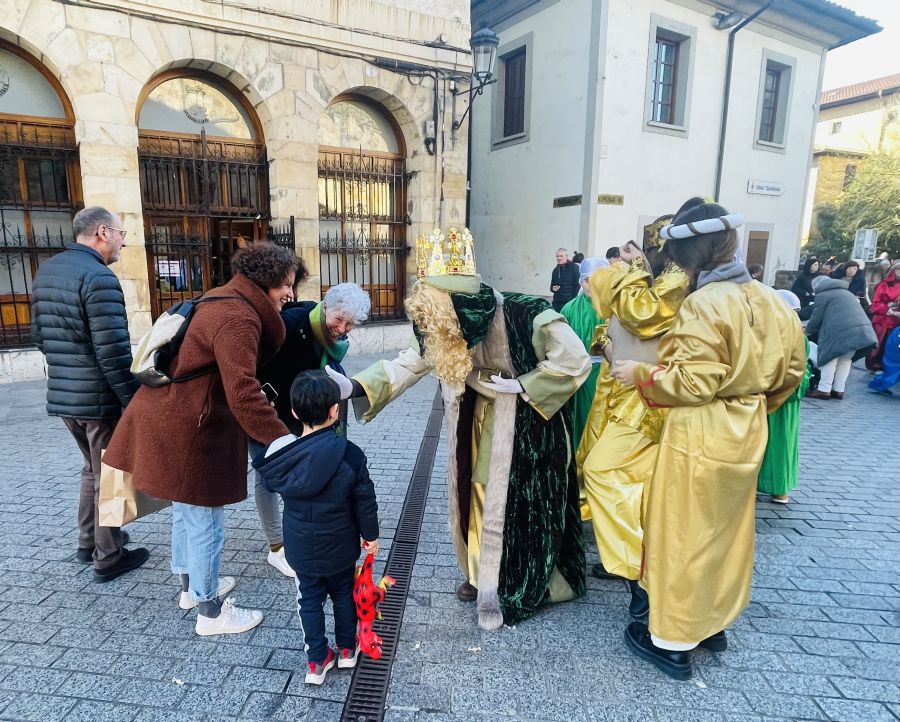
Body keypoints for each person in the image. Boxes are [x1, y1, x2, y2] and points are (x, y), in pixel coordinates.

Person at [333, 226, 590, 630]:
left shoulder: (524, 312)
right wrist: (354, 386)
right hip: (475, 420)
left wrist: (525, 385)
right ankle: (480, 572)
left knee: (512, 502)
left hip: (529, 426)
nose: (430, 321)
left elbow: (575, 360)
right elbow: (410, 362)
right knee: (473, 495)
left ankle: (506, 580)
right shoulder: (443, 326)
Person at [611, 199, 806, 681]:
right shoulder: (771, 299)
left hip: (699, 432)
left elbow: (694, 383)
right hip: (748, 429)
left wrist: (640, 373)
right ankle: (712, 623)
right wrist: (749, 407)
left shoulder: (704, 302)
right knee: (725, 534)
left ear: (689, 253)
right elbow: (792, 373)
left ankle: (671, 641)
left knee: (682, 533)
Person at [104, 241, 299, 636]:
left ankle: (191, 589)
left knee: (186, 510)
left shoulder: (221, 299)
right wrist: (285, 442)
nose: (291, 294)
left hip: (171, 416)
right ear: (268, 279)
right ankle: (211, 612)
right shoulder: (238, 316)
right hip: (189, 428)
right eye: (286, 284)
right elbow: (243, 392)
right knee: (206, 519)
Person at [577, 216, 689, 623]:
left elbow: (643, 315)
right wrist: (609, 348)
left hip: (651, 400)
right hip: (622, 392)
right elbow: (610, 324)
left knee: (604, 471)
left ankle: (637, 573)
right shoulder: (653, 279)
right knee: (624, 480)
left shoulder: (676, 279)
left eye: (643, 248)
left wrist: (624, 271)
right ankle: (631, 566)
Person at [30, 207, 149, 583]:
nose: (123, 242)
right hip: (97, 399)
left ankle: (88, 541)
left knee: (92, 469)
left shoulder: (48, 270)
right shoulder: (99, 277)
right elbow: (113, 352)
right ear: (102, 232)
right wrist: (134, 400)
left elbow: (39, 337)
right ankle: (108, 556)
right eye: (121, 233)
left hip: (65, 396)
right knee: (109, 475)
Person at [253, 370, 379, 685]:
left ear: (294, 413)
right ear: (335, 410)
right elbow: (365, 501)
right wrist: (371, 536)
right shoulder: (350, 455)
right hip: (340, 546)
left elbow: (268, 482)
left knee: (308, 600)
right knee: (343, 595)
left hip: (300, 548)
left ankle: (317, 660)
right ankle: (347, 649)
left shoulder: (284, 457)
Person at [253, 282, 371, 578]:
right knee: (268, 475)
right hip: (270, 411)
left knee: (307, 472)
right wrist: (264, 402)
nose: (342, 329)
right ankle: (277, 547)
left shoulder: (333, 337)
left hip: (305, 412)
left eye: (350, 324)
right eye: (339, 319)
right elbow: (253, 362)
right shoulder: (292, 323)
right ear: (326, 307)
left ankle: (311, 533)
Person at [758, 290, 810, 503]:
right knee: (782, 442)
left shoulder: (765, 333)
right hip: (785, 395)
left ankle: (771, 486)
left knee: (765, 441)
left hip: (768, 394)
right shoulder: (799, 336)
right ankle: (779, 488)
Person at [805, 274, 877, 400]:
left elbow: (816, 317)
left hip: (838, 332)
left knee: (829, 359)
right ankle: (838, 390)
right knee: (845, 360)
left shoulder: (823, 295)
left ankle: (824, 390)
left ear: (817, 287)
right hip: (859, 331)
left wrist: (806, 331)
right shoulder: (846, 293)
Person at [866, 261, 900, 371]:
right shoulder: (883, 285)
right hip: (883, 321)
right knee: (879, 346)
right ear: (893, 270)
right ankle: (876, 365)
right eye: (899, 269)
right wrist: (888, 308)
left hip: (897, 321)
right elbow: (875, 305)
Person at [869, 327, 900, 395]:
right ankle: (879, 385)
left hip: (895, 340)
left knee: (893, 369)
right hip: (896, 345)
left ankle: (879, 384)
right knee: (895, 369)